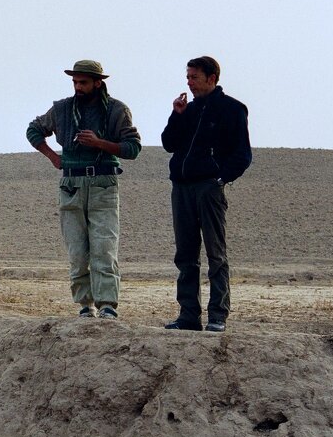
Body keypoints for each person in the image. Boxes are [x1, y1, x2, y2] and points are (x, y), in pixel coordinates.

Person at [27, 60, 142, 319]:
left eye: (84, 82)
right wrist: (52, 157)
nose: (78, 87)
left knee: (104, 247)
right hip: (71, 185)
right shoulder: (62, 109)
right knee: (77, 251)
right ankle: (84, 305)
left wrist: (100, 143)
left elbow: (133, 148)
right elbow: (34, 129)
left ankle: (108, 305)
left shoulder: (116, 110)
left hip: (103, 182)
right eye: (75, 82)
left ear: (98, 83)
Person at [160, 56, 252, 332]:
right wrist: (176, 115)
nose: (189, 82)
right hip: (182, 188)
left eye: (194, 77)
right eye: (187, 77)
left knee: (215, 253)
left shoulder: (232, 109)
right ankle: (188, 316)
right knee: (186, 255)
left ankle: (217, 316)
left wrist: (220, 178)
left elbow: (243, 155)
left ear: (211, 78)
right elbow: (169, 144)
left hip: (209, 189)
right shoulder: (187, 110)